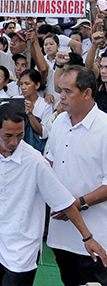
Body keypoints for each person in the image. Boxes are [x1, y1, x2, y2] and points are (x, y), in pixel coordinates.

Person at [0, 103, 107, 286]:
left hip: (23, 252)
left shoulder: (35, 161)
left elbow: (64, 202)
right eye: (8, 136)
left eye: (20, 135)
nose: (14, 142)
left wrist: (87, 237)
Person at [46, 65, 107, 285]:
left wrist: (76, 204)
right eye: (60, 90)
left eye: (68, 91)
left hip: (96, 236)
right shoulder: (60, 122)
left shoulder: (105, 128)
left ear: (87, 93)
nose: (61, 96)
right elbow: (51, 163)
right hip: (61, 235)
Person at [19, 69, 52, 154]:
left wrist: (30, 115)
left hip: (36, 152)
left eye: (27, 84)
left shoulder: (46, 105)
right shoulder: (15, 101)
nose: (23, 87)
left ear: (37, 85)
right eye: (21, 84)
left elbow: (44, 133)